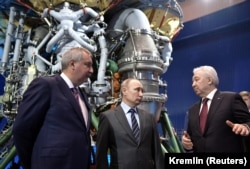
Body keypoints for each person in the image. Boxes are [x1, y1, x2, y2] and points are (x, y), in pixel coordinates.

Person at [12, 47, 94, 169]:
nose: (92, 70)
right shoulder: (46, 85)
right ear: (72, 64)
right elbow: (21, 129)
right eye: (88, 65)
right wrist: (33, 164)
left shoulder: (82, 94)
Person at [95, 78, 164, 169]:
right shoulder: (108, 117)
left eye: (142, 91)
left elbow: (157, 152)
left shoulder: (149, 118)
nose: (141, 94)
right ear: (124, 91)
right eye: (137, 90)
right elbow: (101, 155)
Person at [182, 65, 250, 152]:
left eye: (196, 79)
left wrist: (245, 127)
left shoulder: (230, 99)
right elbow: (190, 139)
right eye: (192, 81)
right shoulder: (192, 110)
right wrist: (186, 144)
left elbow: (248, 121)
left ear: (209, 80)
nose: (193, 85)